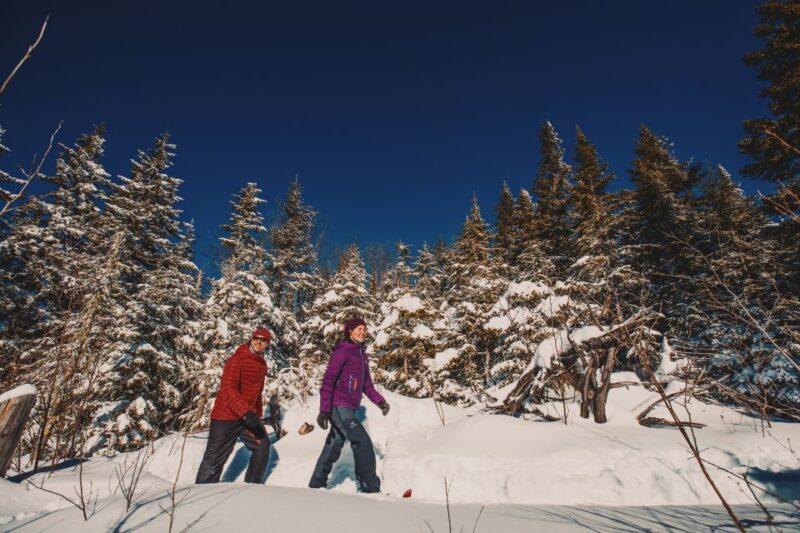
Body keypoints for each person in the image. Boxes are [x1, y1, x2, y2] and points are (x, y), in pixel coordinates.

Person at [309, 317, 390, 493]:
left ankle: (316, 484)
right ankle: (370, 487)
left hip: (348, 407)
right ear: (349, 331)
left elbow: (367, 385)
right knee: (362, 441)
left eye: (364, 329)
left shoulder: (362, 355)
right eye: (358, 329)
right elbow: (328, 380)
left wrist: (380, 401)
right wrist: (324, 410)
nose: (362, 332)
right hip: (339, 405)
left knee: (334, 445)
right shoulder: (343, 351)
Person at [195, 328, 272, 484]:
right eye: (256, 338)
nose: (258, 342)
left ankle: (252, 487)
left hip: (246, 417)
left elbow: (257, 391)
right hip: (226, 416)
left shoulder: (262, 364)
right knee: (215, 458)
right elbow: (228, 388)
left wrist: (256, 414)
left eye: (262, 340)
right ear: (251, 339)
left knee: (262, 446)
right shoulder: (237, 359)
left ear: (267, 344)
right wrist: (246, 412)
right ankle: (201, 495)